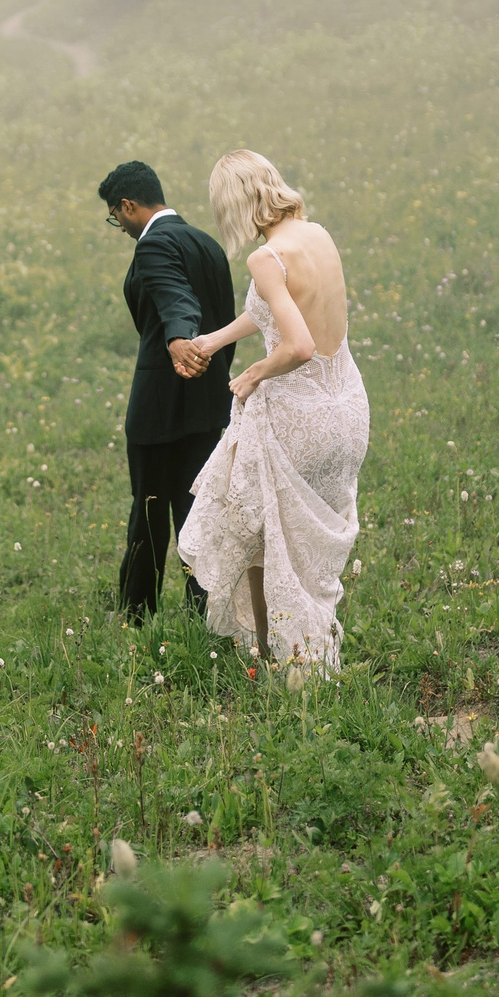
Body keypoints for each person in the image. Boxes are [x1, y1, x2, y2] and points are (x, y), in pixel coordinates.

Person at [176, 150, 370, 672]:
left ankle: (277, 660)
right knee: (297, 543)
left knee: (263, 535)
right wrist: (215, 341)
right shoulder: (316, 235)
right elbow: (274, 307)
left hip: (297, 414)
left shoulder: (264, 258)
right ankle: (306, 652)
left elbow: (298, 344)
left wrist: (253, 374)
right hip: (345, 410)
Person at [98, 160, 239, 622]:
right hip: (209, 402)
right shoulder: (207, 243)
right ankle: (207, 612)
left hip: (160, 408)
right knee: (200, 511)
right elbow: (220, 316)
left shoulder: (153, 243)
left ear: (127, 205)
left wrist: (181, 341)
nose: (118, 224)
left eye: (115, 215)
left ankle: (137, 614)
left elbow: (176, 298)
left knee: (150, 510)